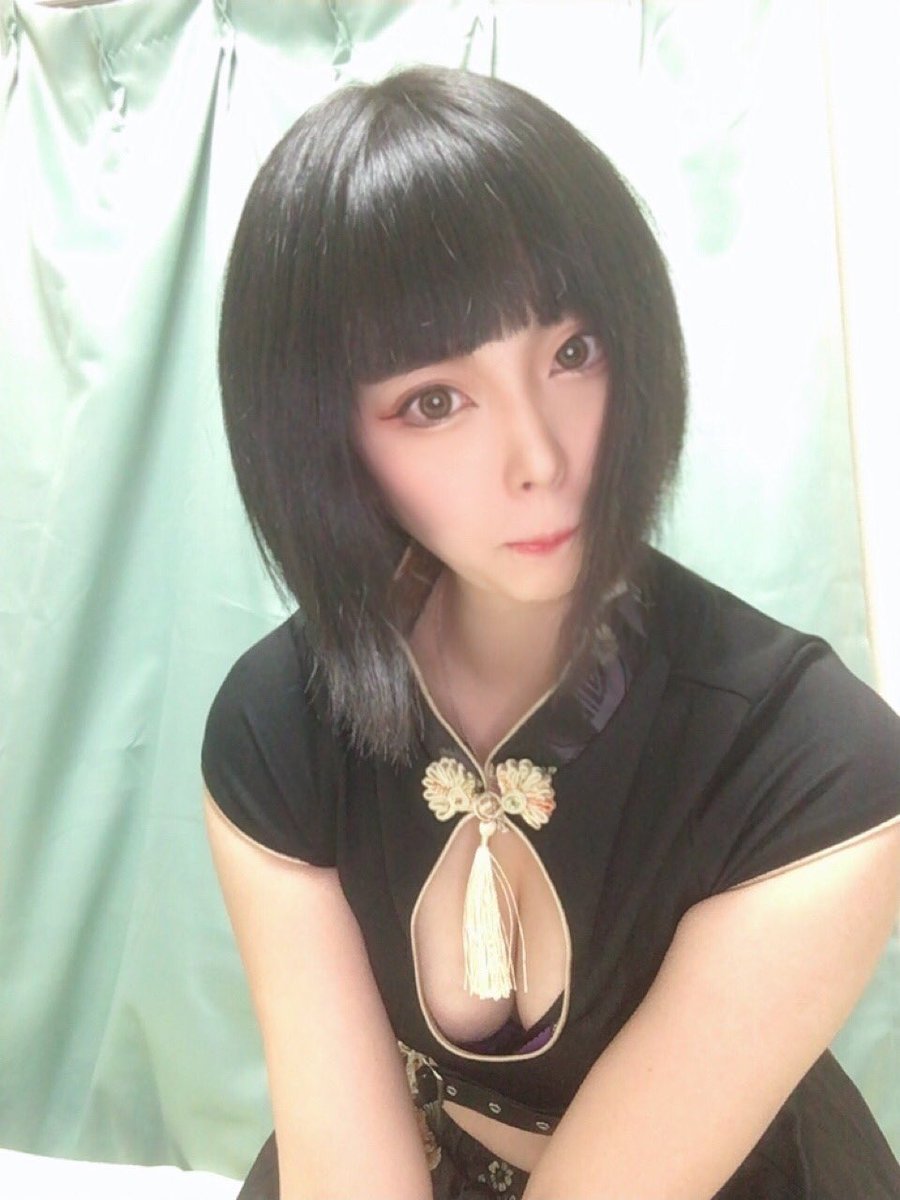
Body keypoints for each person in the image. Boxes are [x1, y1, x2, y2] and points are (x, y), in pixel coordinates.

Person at [201, 66, 900, 1200]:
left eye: (573, 352)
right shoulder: (275, 723)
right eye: (434, 400)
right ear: (325, 438)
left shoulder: (817, 764)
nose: (542, 456)